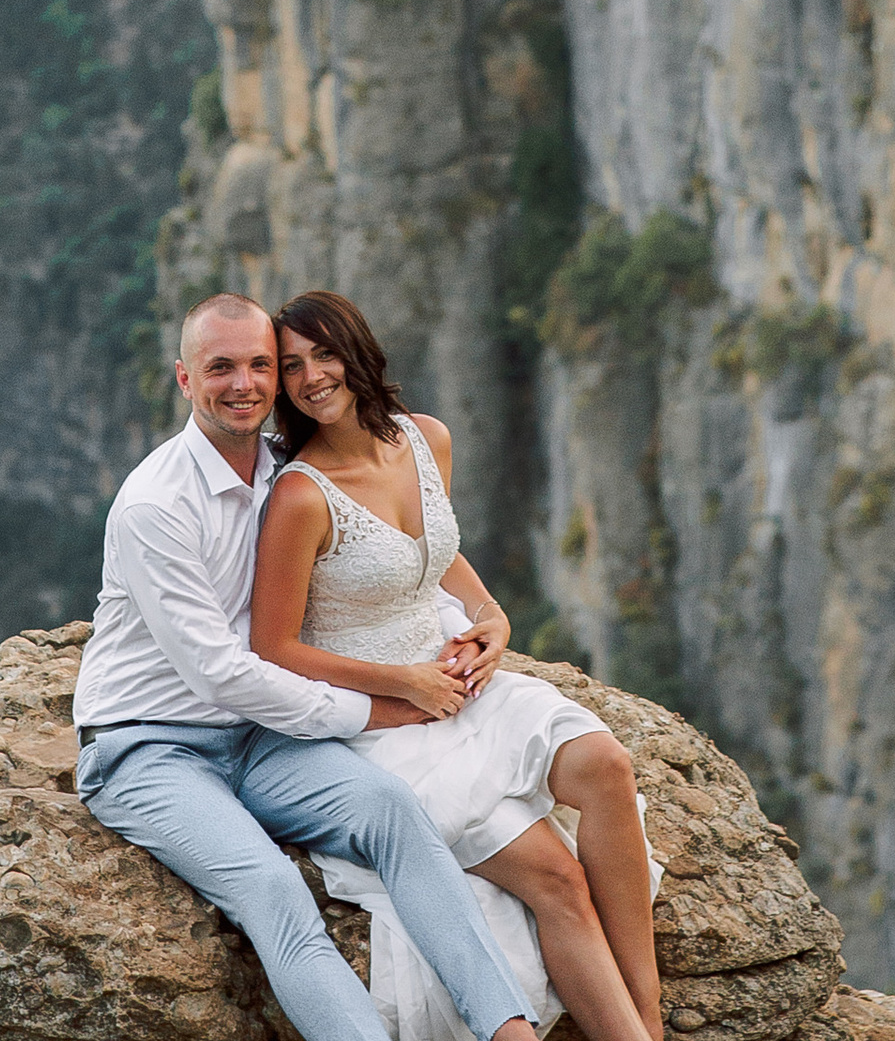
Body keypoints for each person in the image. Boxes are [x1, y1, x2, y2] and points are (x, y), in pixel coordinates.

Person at [74, 291, 546, 1041]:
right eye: (220, 367)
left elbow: (385, 558)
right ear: (184, 378)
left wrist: (473, 622)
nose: (245, 384)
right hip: (149, 746)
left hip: (261, 738)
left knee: (397, 814)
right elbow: (222, 673)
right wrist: (386, 706)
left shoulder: (286, 467)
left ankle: (509, 1031)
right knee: (270, 887)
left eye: (262, 365)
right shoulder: (155, 506)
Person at [251, 289, 663, 1041]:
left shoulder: (425, 439)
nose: (313, 377)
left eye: (325, 353)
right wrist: (400, 681)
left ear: (358, 352)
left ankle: (650, 1014)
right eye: (291, 367)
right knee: (556, 878)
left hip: (460, 688)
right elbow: (273, 647)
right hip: (382, 727)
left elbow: (432, 550)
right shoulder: (301, 497)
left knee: (605, 766)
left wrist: (491, 616)